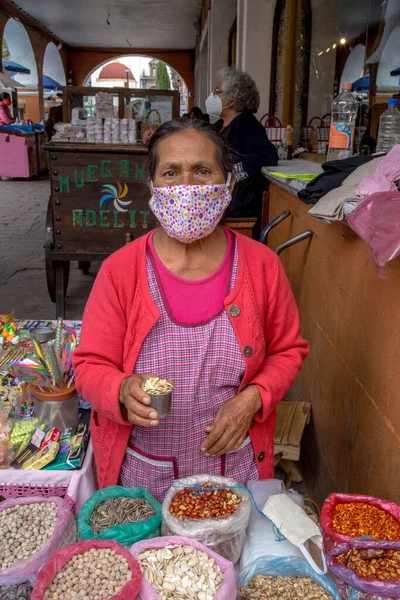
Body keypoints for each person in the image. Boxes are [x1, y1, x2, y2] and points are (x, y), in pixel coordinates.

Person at [73, 118, 308, 501]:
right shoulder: (121, 271)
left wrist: (251, 401)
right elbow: (88, 366)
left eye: (202, 171)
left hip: (234, 471)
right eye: (171, 172)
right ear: (151, 187)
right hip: (143, 476)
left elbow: (288, 351)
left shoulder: (261, 266)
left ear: (228, 184)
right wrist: (121, 390)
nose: (186, 186)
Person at [206, 67, 278, 239]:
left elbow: (268, 155)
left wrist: (236, 172)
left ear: (231, 99)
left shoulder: (246, 124)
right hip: (222, 201)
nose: (213, 96)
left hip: (239, 206)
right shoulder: (219, 126)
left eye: (217, 91)